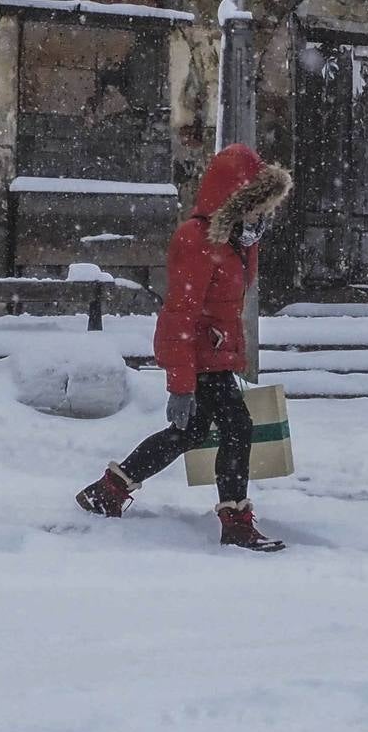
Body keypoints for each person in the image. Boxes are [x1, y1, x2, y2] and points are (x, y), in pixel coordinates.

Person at [76, 144, 293, 552]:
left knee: (188, 433)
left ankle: (109, 490)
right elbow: (179, 314)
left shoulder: (241, 243)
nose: (261, 217)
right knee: (236, 427)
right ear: (235, 202)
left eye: (266, 208)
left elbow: (229, 309)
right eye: (256, 207)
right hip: (198, 356)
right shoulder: (197, 238)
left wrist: (233, 354)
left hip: (214, 356)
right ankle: (235, 521)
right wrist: (181, 383)